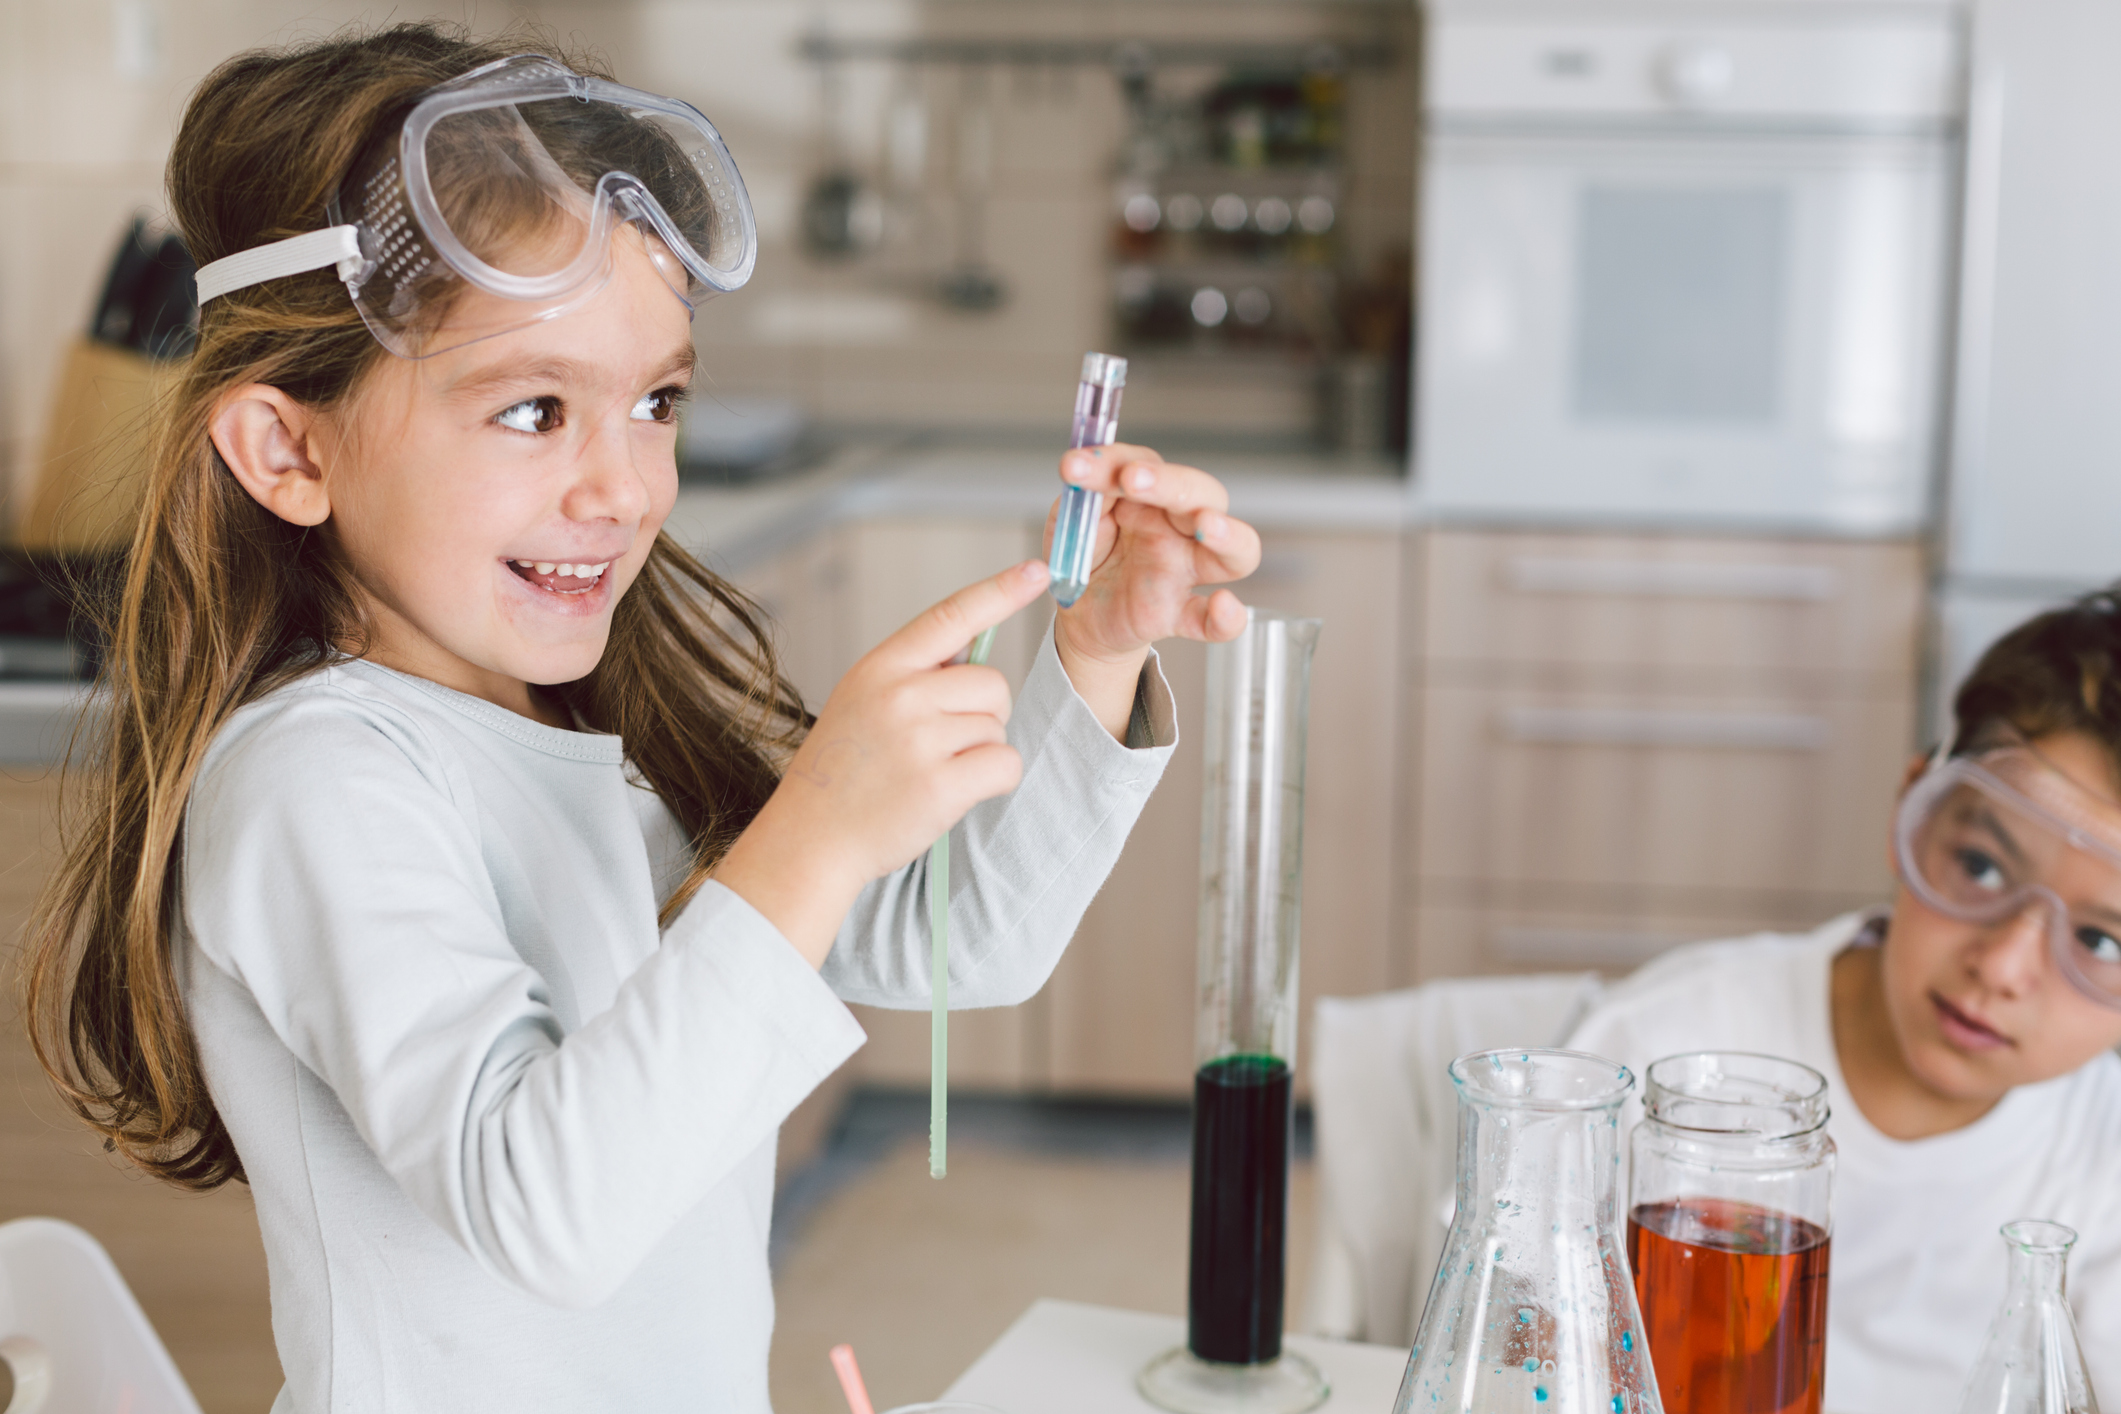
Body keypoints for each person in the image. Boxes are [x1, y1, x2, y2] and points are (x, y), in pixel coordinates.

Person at [19, 25, 1262, 1414]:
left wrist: (1091, 652)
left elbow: (963, 937)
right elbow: (546, 1205)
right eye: (534, 409)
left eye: (655, 401)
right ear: (288, 450)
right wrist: (812, 832)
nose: (623, 486)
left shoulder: (600, 726)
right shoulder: (316, 779)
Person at [1566, 589, 2121, 1410]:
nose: (2001, 966)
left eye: (2100, 940)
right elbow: (1509, 1342)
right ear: (1911, 806)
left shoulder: (2103, 1161)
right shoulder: (1664, 1043)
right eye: (1979, 865)